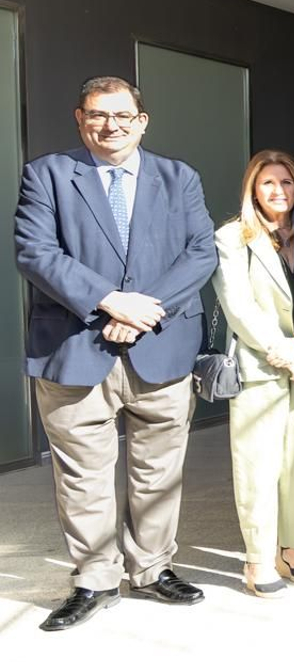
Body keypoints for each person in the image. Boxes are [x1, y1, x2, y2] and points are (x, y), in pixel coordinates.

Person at [16, 75, 217, 631]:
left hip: (161, 346)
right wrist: (109, 302)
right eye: (99, 115)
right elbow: (36, 252)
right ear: (80, 119)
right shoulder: (48, 175)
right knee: (83, 474)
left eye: (124, 116)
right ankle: (95, 579)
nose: (111, 126)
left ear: (142, 121)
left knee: (159, 470)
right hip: (75, 349)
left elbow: (201, 253)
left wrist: (143, 310)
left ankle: (152, 570)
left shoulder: (180, 178)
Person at [211, 150, 294, 598]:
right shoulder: (232, 238)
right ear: (252, 190)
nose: (280, 191)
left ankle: (293, 547)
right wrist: (281, 349)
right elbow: (236, 304)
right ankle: (258, 556)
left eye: (288, 183)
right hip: (260, 366)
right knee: (259, 464)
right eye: (269, 184)